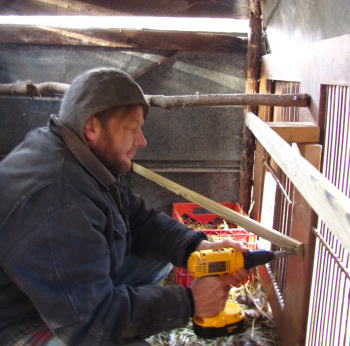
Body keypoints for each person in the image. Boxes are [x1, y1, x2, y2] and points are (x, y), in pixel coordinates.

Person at [0, 67, 252, 346]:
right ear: (92, 127)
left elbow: (137, 219)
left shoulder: (77, 154)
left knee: (159, 257)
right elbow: (96, 323)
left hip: (50, 287)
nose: (142, 141)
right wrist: (190, 302)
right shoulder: (60, 201)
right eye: (131, 129)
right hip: (18, 320)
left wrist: (197, 248)